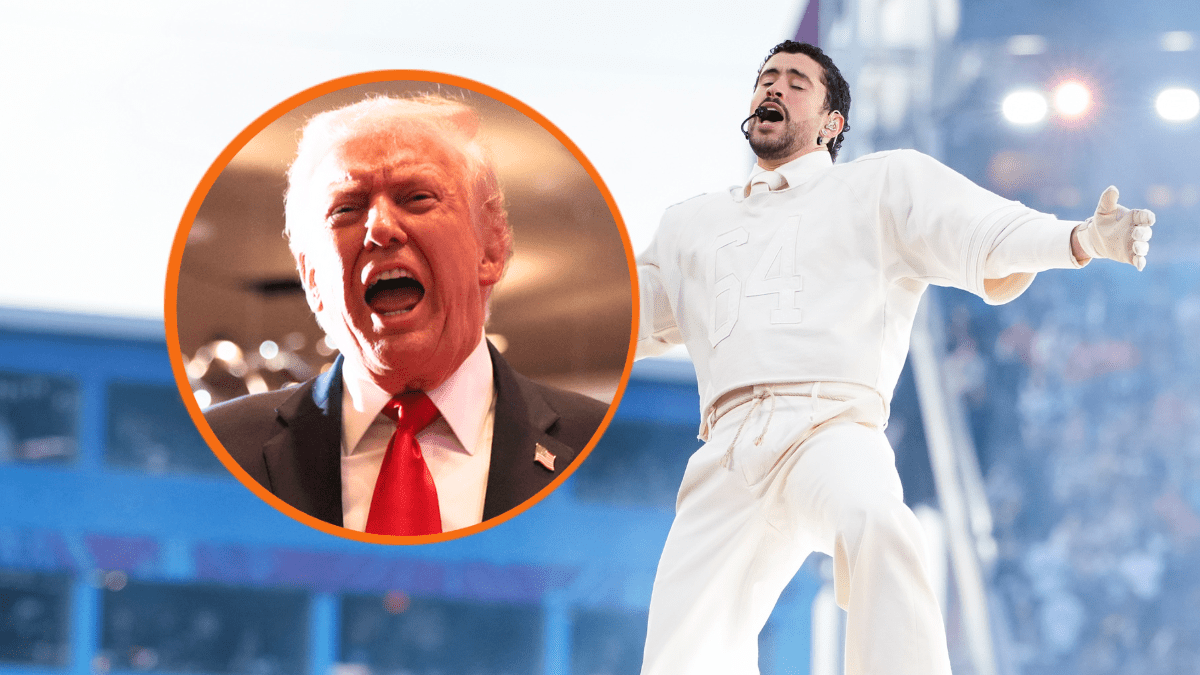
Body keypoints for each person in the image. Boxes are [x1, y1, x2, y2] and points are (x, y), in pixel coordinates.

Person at [635, 41, 1154, 674]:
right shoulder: (690, 223)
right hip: (727, 445)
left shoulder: (878, 183)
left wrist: (1076, 239)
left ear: (832, 125)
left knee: (877, 523)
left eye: (797, 82)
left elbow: (982, 228)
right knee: (679, 645)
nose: (775, 87)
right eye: (766, 78)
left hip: (829, 426)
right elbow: (618, 317)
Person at [205, 94, 608, 536]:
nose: (379, 227)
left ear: (490, 248)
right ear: (312, 278)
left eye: (416, 197)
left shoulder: (598, 441)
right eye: (346, 208)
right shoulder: (221, 448)